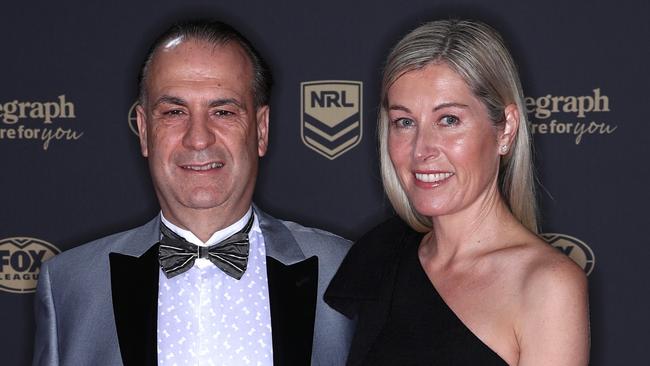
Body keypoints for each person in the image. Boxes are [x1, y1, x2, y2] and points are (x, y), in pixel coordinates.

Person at [33, 19, 353, 366]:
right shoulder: (71, 285)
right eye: (174, 112)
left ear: (261, 129)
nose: (198, 138)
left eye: (223, 111)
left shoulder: (346, 270)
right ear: (143, 130)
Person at [325, 19, 589, 365]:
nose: (422, 149)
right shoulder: (380, 255)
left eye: (448, 120)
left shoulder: (546, 285)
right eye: (405, 122)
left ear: (506, 129)